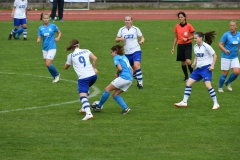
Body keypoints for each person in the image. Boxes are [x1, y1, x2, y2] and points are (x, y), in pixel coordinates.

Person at [174, 31, 220, 110]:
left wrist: (212, 66)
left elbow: (215, 55)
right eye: (194, 38)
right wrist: (194, 63)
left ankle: (216, 103)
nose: (194, 39)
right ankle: (184, 102)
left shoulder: (206, 46)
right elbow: (196, 55)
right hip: (198, 69)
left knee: (208, 85)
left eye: (196, 38)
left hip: (206, 68)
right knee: (188, 83)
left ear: (201, 38)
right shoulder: (195, 46)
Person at [91, 44, 133, 115]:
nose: (111, 54)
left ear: (115, 52)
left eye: (111, 52)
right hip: (130, 79)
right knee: (115, 95)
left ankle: (99, 106)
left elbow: (120, 68)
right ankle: (126, 108)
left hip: (124, 78)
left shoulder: (116, 57)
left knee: (107, 89)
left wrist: (117, 73)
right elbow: (131, 69)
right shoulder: (124, 57)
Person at [64, 39, 98, 121]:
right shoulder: (86, 50)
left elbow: (66, 67)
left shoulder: (71, 55)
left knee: (82, 96)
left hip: (83, 78)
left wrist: (68, 58)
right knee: (86, 89)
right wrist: (94, 68)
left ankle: (89, 114)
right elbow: (95, 58)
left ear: (72, 47)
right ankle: (83, 108)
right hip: (93, 76)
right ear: (78, 45)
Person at [115, 15, 145, 89]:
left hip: (136, 50)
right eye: (126, 20)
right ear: (124, 21)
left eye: (129, 20)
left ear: (132, 21)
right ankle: (138, 79)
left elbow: (142, 37)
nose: (127, 21)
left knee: (136, 65)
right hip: (127, 52)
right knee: (130, 70)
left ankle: (140, 84)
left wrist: (141, 41)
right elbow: (116, 39)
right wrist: (120, 39)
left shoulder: (136, 29)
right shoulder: (121, 30)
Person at [37, 13, 61, 83]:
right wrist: (38, 39)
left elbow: (59, 32)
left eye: (47, 18)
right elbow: (39, 36)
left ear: (49, 19)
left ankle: (57, 75)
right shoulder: (40, 28)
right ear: (42, 19)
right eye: (44, 18)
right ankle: (55, 77)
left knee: (48, 64)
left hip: (52, 47)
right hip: (44, 48)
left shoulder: (53, 26)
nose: (46, 20)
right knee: (47, 65)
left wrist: (58, 38)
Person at [171, 11, 195, 82]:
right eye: (179, 17)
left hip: (188, 45)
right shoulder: (177, 26)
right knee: (182, 62)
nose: (180, 18)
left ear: (185, 17)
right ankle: (186, 77)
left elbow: (194, 35)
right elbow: (176, 37)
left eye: (181, 17)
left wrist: (187, 38)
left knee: (188, 61)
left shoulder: (189, 26)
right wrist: (173, 47)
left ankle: (193, 76)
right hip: (180, 45)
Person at [218, 20, 240, 92]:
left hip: (234, 57)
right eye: (230, 25)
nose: (231, 27)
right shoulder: (226, 35)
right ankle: (220, 87)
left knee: (237, 72)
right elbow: (220, 44)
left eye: (233, 26)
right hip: (226, 57)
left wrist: (239, 49)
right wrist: (225, 50)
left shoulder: (239, 34)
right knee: (225, 73)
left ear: (236, 26)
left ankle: (228, 82)